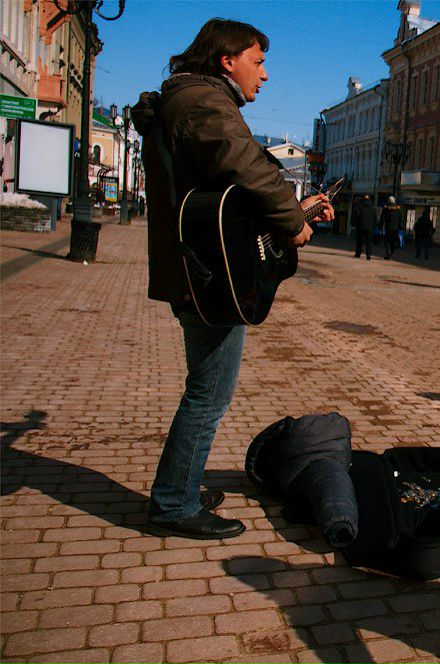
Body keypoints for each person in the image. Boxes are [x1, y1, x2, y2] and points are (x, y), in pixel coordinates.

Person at [133, 19, 333, 539]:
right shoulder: (204, 103)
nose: (263, 76)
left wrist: (298, 207)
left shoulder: (189, 98)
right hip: (207, 277)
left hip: (199, 267)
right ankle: (173, 504)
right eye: (258, 61)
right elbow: (248, 167)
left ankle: (180, 485)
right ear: (227, 59)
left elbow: (229, 195)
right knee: (208, 393)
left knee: (205, 388)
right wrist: (293, 223)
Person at [352, 194, 376, 260]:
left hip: (361, 226)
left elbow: (356, 215)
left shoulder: (360, 206)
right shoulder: (372, 207)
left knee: (359, 241)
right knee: (369, 242)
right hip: (369, 228)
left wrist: (354, 223)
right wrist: (374, 226)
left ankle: (358, 254)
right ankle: (368, 255)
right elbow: (375, 218)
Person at [379, 195, 402, 259]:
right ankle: (391, 252)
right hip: (396, 228)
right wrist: (400, 227)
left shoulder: (386, 208)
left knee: (386, 240)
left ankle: (388, 252)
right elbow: (400, 219)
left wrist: (380, 226)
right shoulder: (398, 209)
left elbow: (382, 218)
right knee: (393, 241)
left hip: (388, 227)